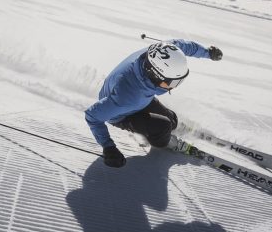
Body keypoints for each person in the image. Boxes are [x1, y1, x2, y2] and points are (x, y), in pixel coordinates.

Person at [85, 39, 223, 167]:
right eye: (172, 82)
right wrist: (108, 147)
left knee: (172, 120)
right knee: (162, 127)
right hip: (121, 114)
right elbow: (93, 116)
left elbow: (184, 46)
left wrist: (207, 52)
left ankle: (170, 128)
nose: (174, 86)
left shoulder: (160, 53)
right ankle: (167, 141)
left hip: (141, 99)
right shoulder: (127, 96)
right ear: (156, 75)